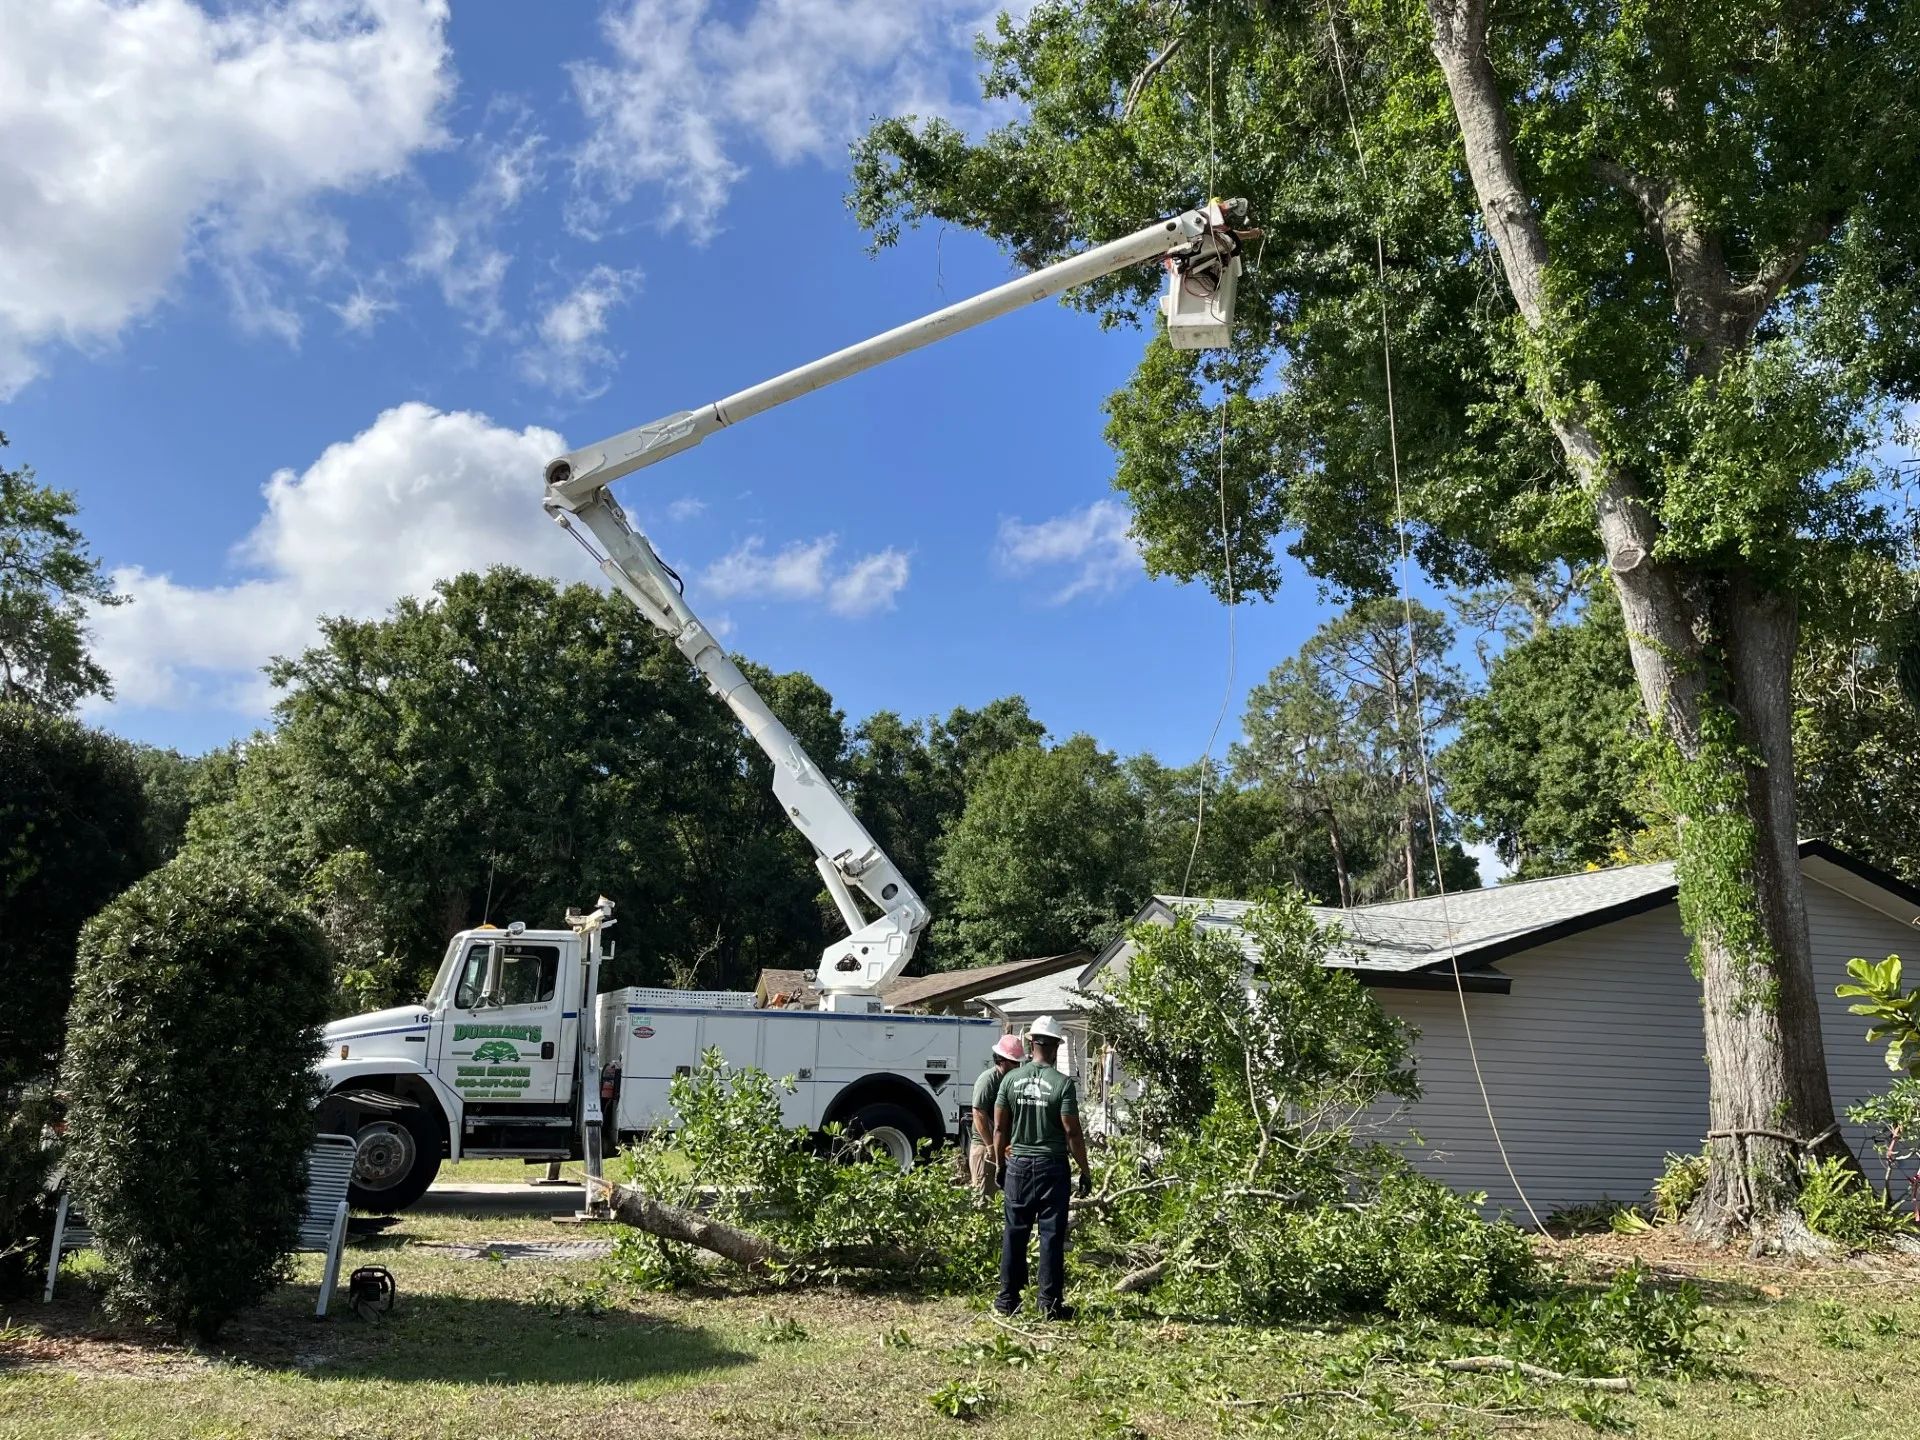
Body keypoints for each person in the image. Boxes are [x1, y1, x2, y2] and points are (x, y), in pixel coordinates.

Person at [992, 1014, 1092, 1320]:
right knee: (1050, 1235)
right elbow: (1072, 1132)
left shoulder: (1010, 1080)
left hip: (1018, 1164)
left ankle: (1007, 1300)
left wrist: (999, 1165)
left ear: (1032, 1043)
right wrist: (1084, 1170)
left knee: (1015, 1231)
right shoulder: (1061, 1084)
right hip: (1052, 1166)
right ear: (1056, 1047)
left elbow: (999, 1128)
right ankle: (1049, 1304)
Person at [969, 1032, 1027, 1200]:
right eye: (1014, 1062)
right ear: (1002, 1060)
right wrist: (989, 1146)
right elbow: (978, 1113)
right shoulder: (988, 1079)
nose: (1017, 1066)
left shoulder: (1013, 1081)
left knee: (1006, 1195)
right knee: (984, 1196)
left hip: (1004, 1145)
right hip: (984, 1145)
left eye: (1018, 1063)